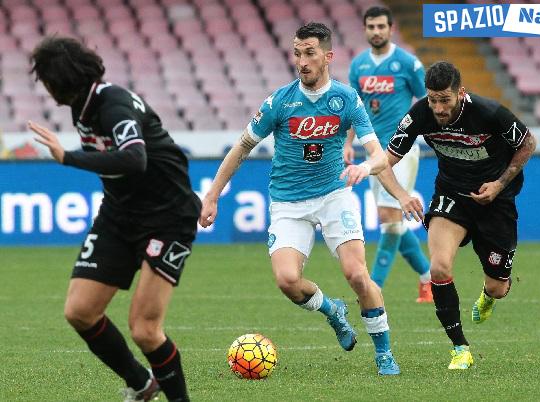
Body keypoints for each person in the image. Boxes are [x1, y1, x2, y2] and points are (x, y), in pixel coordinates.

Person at [200, 22, 404, 375]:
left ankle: (384, 353)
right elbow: (242, 147)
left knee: (357, 275)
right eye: (297, 53)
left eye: (309, 53)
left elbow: (378, 154)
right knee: (287, 281)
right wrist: (212, 195)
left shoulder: (346, 98)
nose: (302, 61)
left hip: (334, 196)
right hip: (288, 203)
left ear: (328, 56)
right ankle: (332, 311)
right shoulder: (280, 101)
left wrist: (365, 167)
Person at [28, 36, 200, 401]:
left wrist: (68, 157)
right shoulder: (83, 105)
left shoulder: (113, 104)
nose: (46, 88)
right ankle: (141, 384)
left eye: (46, 80)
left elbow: (135, 158)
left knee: (145, 329)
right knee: (80, 311)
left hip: (168, 217)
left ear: (59, 80)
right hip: (120, 214)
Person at [385, 61, 537, 369]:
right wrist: (401, 195)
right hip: (451, 195)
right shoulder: (419, 114)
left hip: (495, 200)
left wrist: (499, 184)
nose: (439, 108)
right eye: (433, 100)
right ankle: (460, 348)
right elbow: (383, 161)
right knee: (439, 267)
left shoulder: (489, 112)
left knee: (498, 287)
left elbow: (528, 143)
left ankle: (489, 295)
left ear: (460, 93)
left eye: (445, 100)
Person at [345, 6, 433, 303]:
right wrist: (348, 143)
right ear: (365, 29)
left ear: (391, 28)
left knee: (388, 217)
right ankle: (429, 278)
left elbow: (428, 101)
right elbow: (354, 109)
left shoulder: (407, 63)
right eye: (371, 26)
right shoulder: (359, 65)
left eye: (381, 26)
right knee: (392, 222)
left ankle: (374, 286)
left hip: (401, 149)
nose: (376, 31)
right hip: (372, 151)